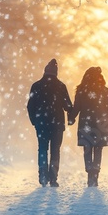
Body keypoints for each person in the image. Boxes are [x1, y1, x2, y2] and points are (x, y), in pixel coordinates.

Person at [27, 58, 73, 187]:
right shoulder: (61, 86)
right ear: (56, 73)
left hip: (41, 123)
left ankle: (42, 176)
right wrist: (71, 116)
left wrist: (34, 121)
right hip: (57, 124)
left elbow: (30, 105)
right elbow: (68, 105)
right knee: (55, 150)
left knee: (42, 149)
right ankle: (53, 178)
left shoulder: (36, 86)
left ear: (45, 72)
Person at [68, 66, 108, 187]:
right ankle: (95, 174)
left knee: (88, 148)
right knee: (98, 148)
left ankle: (90, 172)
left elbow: (77, 107)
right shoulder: (104, 90)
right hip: (101, 124)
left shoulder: (81, 90)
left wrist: (71, 117)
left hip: (86, 124)